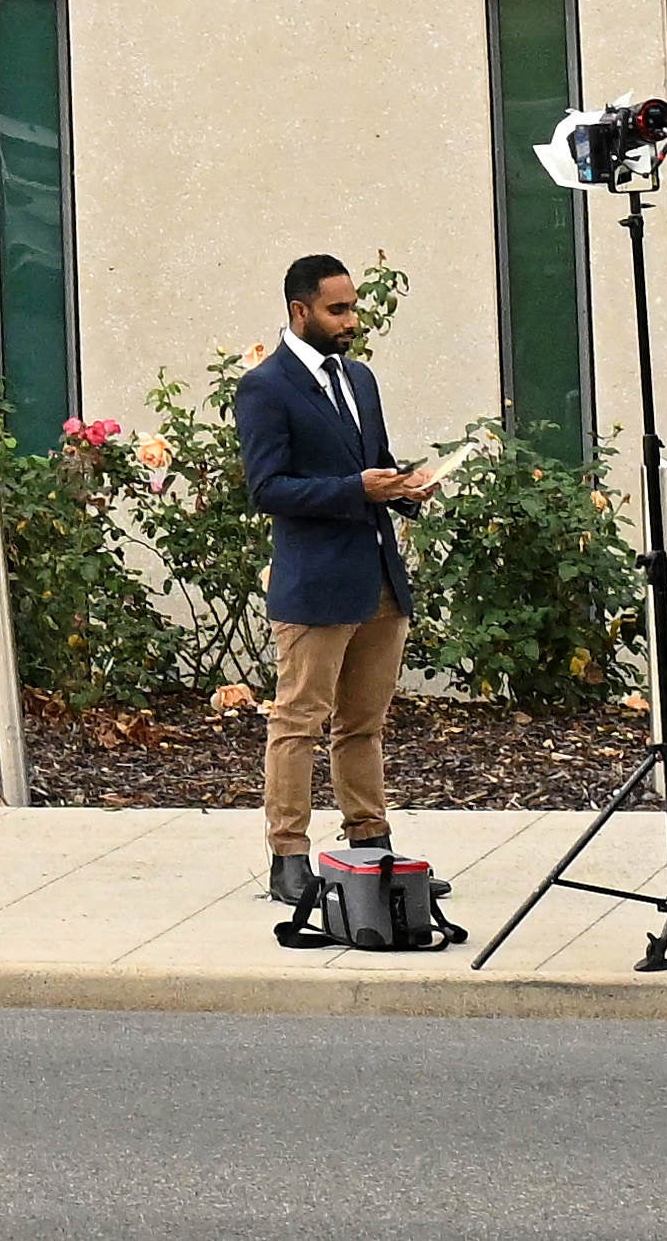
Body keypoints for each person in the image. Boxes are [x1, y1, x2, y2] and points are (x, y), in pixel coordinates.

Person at [234, 253, 427, 921]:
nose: (350, 321)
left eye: (351, 307)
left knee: (363, 724)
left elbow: (370, 465)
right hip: (315, 585)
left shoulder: (359, 379)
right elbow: (267, 488)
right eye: (337, 310)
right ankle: (288, 856)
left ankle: (370, 848)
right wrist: (355, 490)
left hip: (376, 576)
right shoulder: (266, 388)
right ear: (300, 312)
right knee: (297, 722)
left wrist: (402, 488)